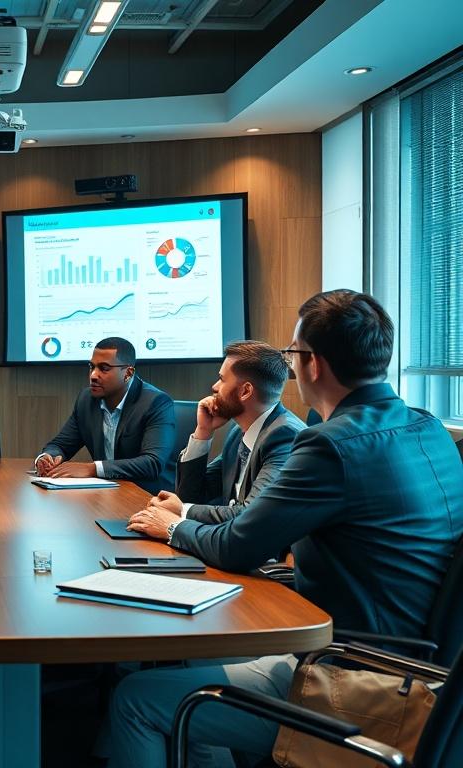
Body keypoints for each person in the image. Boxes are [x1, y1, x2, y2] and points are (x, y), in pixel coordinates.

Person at [117, 290, 463, 768]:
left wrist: (173, 528)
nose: (291, 366)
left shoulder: (329, 447)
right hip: (418, 672)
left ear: (313, 364)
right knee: (190, 680)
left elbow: (237, 544)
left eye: (292, 354)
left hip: (349, 678)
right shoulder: (429, 429)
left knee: (137, 699)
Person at [150, 340, 305, 524]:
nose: (215, 387)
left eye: (222, 379)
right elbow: (191, 495)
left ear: (245, 391)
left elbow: (251, 516)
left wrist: (182, 510)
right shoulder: (238, 433)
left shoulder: (285, 437)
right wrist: (203, 432)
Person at [35, 336, 176, 493]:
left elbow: (152, 463)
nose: (93, 375)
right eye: (92, 367)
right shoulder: (86, 399)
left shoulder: (155, 402)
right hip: (107, 494)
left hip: (149, 498)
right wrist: (48, 458)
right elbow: (60, 445)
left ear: (128, 373)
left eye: (104, 368)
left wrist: (92, 468)